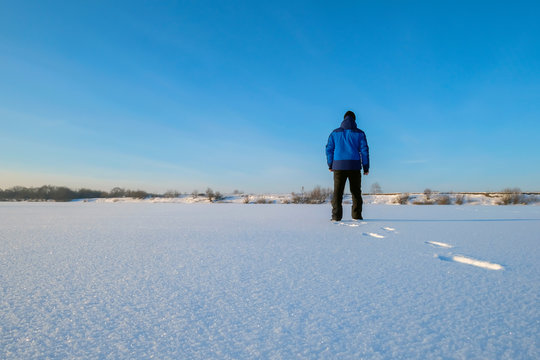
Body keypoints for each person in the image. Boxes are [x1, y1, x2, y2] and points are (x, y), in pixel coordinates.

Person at [325, 110, 370, 221]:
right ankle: (356, 216)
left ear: (344, 119)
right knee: (356, 192)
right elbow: (364, 151)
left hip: (339, 166)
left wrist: (330, 164)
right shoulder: (360, 133)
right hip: (354, 166)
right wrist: (366, 166)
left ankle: (336, 217)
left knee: (338, 193)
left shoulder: (335, 133)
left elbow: (329, 149)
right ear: (354, 119)